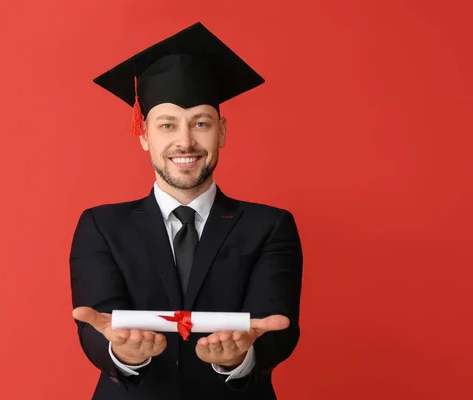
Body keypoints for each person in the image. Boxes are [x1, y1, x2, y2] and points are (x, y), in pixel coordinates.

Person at [69, 22, 303, 400]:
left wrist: (237, 358)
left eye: (201, 123)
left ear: (222, 132)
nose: (185, 141)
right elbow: (96, 326)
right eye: (167, 124)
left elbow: (276, 327)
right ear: (144, 134)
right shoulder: (101, 226)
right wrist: (122, 352)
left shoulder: (270, 226)